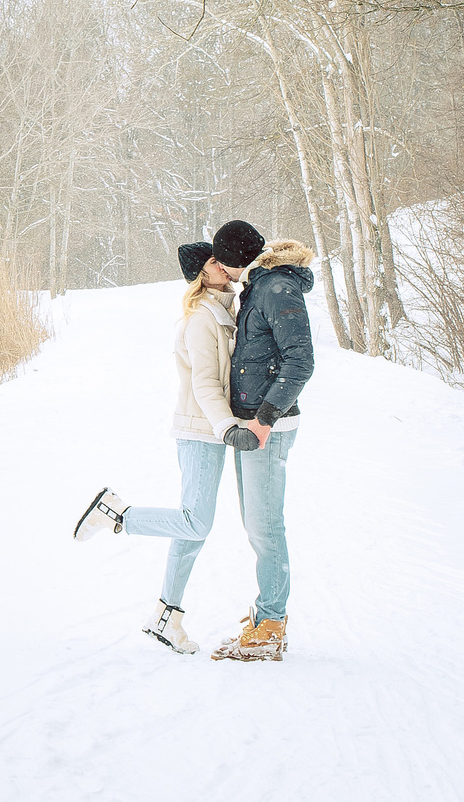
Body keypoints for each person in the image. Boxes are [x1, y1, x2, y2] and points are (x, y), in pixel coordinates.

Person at [71, 239, 246, 653]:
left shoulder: (224, 310)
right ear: (202, 273)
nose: (224, 266)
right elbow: (205, 383)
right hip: (201, 431)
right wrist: (226, 427)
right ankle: (115, 512)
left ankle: (167, 618)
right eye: (214, 262)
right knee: (196, 523)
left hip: (209, 431)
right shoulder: (202, 319)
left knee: (191, 532)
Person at [206, 220, 317, 663]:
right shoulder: (260, 284)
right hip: (252, 423)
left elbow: (301, 361)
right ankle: (265, 617)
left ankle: (271, 624)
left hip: (266, 426)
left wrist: (265, 420)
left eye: (221, 260)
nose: (221, 270)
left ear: (236, 258)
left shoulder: (275, 289)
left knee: (266, 526)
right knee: (256, 523)